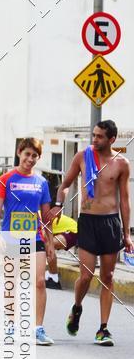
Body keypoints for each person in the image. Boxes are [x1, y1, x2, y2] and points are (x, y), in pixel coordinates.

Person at [51, 120, 132, 345]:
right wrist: (58, 203)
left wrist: (127, 234)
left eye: (99, 137)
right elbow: (65, 183)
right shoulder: (83, 157)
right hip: (87, 222)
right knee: (86, 275)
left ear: (112, 139)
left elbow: (125, 201)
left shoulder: (122, 164)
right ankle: (77, 308)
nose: (94, 140)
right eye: (93, 135)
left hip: (110, 224)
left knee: (108, 277)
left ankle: (103, 329)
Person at [0, 137, 54, 345]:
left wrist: (50, 242)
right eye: (27, 154)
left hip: (34, 236)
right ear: (19, 153)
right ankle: (11, 324)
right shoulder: (6, 179)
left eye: (34, 156)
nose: (30, 159)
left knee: (39, 282)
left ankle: (38, 329)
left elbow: (46, 216)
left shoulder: (42, 182)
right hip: (11, 235)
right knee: (12, 282)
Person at [45, 213, 78, 289]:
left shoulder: (35, 217)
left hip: (72, 231)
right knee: (44, 246)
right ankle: (51, 274)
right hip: (62, 232)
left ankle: (54, 278)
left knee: (46, 246)